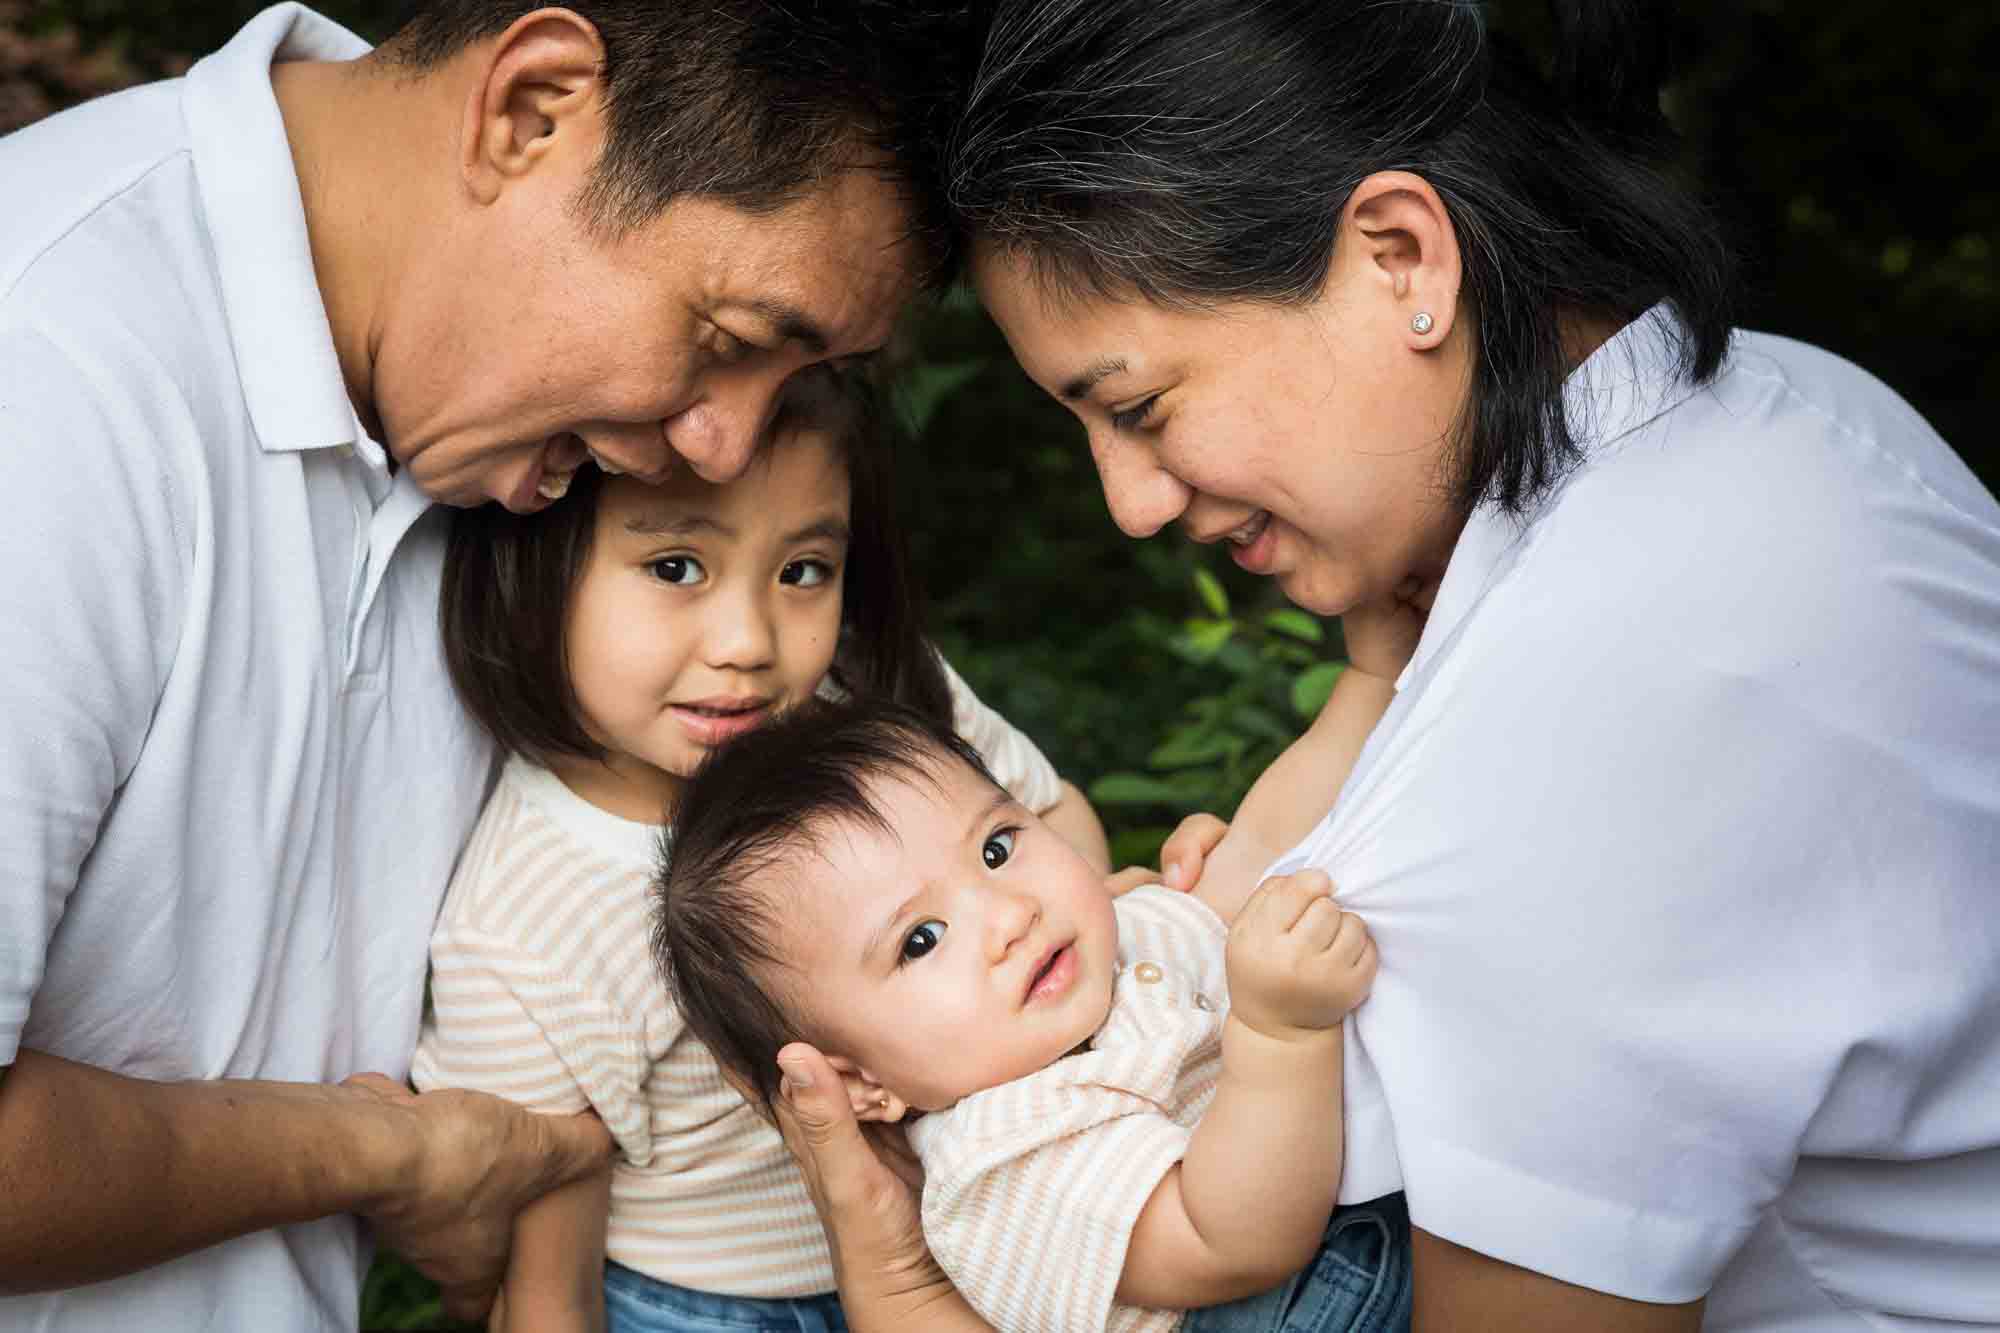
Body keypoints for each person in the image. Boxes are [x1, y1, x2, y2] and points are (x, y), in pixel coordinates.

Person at [771, 0, 2000, 1329]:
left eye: (1138, 407)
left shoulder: (1562, 728)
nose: (1127, 502)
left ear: (1402, 258)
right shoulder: (1789, 405)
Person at [0, 1, 983, 1328]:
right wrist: (391, 1158)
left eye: (803, 372)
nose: (723, 446)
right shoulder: (47, 374)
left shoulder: (484, 433)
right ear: (533, 110)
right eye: (733, 337)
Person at [410, 371, 1109, 1333]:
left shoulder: (867, 710)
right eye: (676, 568)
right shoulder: (527, 918)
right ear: (537, 562)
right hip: (715, 1306)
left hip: (998, 1230)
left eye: (802, 571)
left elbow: (1053, 818)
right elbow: (544, 1286)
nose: (746, 642)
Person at [656, 595, 1423, 1333]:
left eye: (996, 848)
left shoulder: (1119, 936)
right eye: (921, 939)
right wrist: (1280, 1034)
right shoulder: (997, 1168)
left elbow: (1260, 842)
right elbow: (1230, 1239)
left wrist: (1371, 675)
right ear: (860, 1081)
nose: (1008, 913)